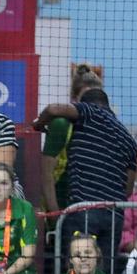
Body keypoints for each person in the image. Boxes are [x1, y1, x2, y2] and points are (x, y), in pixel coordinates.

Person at [34, 89, 137, 274]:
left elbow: (53, 109)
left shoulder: (90, 112)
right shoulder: (128, 140)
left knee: (76, 273)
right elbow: (128, 189)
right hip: (114, 217)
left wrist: (39, 124)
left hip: (83, 210)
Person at [41, 64, 103, 214]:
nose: (92, 102)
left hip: (95, 210)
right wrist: (55, 216)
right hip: (63, 207)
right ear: (74, 99)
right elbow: (46, 175)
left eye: (96, 96)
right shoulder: (61, 125)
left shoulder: (105, 127)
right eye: (87, 97)